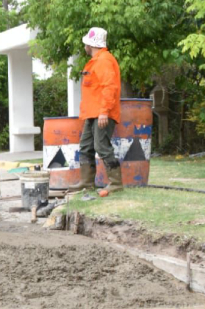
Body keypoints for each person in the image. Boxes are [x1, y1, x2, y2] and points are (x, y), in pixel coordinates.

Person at [69, 27, 123, 196]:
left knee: (102, 146)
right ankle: (87, 182)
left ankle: (115, 183)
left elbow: (110, 87)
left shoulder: (104, 60)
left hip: (101, 113)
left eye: (85, 43)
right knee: (85, 147)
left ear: (90, 44)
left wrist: (104, 112)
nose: (84, 46)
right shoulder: (96, 60)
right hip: (92, 114)